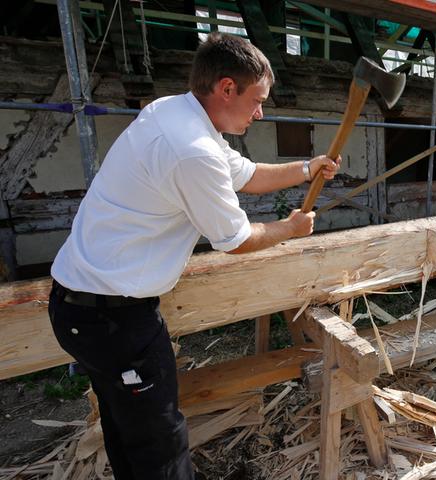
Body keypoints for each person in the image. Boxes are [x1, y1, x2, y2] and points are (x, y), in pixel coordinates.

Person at [48, 33, 340, 479]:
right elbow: (236, 238)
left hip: (84, 307)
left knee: (128, 431)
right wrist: (291, 229)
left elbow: (246, 173)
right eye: (257, 100)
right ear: (227, 88)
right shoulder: (192, 151)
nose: (261, 112)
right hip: (113, 319)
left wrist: (306, 169)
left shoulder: (175, 112)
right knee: (160, 443)